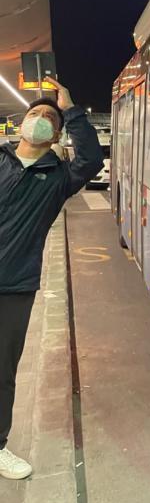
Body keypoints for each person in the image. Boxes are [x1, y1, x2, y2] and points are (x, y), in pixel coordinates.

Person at [0, 79, 103, 479]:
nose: (40, 120)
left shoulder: (58, 178)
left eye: (48, 118)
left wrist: (71, 109)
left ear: (57, 134)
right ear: (20, 124)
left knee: (2, 370)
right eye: (35, 114)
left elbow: (91, 161)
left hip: (14, 286)